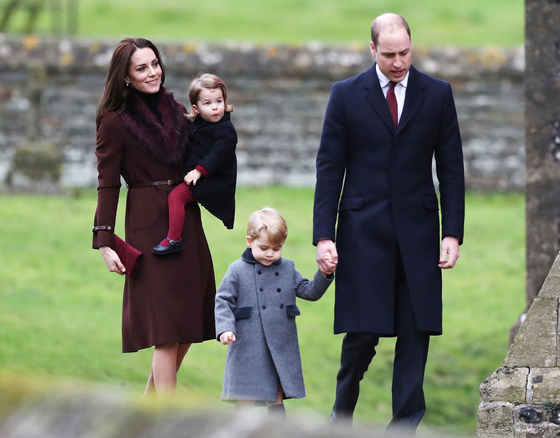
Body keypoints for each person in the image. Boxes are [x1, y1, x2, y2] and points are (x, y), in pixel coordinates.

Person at [313, 13, 465, 431]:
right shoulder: (345, 95)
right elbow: (330, 167)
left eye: (405, 53)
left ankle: (404, 428)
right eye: (390, 54)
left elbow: (451, 168)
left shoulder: (437, 94)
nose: (399, 62)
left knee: (416, 335)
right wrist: (323, 235)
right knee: (361, 337)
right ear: (372, 49)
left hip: (418, 236)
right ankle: (339, 420)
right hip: (362, 235)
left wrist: (452, 232)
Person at [92, 37, 217, 396]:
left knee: (188, 324)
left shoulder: (177, 109)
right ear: (126, 77)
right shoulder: (114, 122)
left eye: (155, 64)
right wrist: (105, 241)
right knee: (166, 331)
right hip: (148, 228)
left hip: (186, 221)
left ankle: (144, 418)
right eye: (142, 68)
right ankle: (167, 422)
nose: (152, 73)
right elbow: (107, 184)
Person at [214, 207, 336, 417]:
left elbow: (308, 291)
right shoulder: (237, 270)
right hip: (247, 344)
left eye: (276, 248)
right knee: (246, 398)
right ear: (249, 241)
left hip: (279, 346)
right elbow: (223, 300)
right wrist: (225, 329)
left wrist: (324, 274)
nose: (270, 253)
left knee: (275, 397)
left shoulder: (288, 268)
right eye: (264, 247)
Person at [153, 73, 238, 255]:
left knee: (176, 197)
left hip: (213, 181)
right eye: (207, 103)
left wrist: (199, 171)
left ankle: (173, 239)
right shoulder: (196, 125)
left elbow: (219, 154)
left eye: (219, 101)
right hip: (196, 174)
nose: (215, 107)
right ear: (196, 108)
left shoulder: (226, 130)